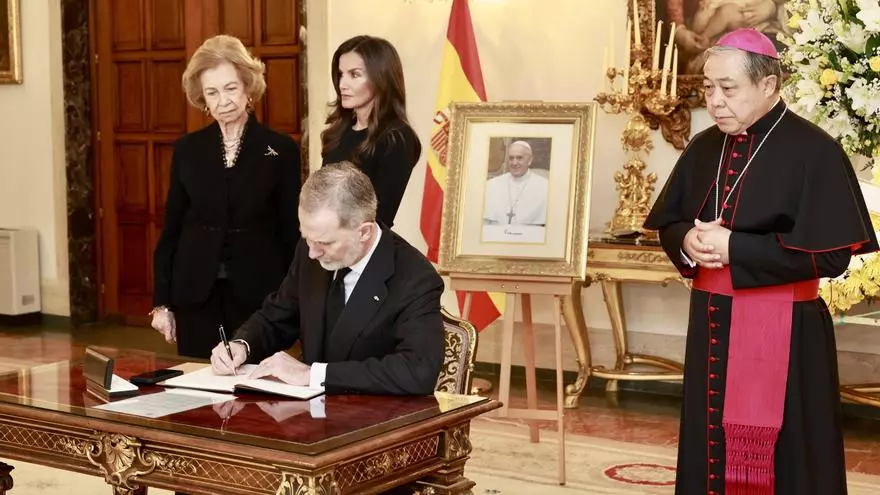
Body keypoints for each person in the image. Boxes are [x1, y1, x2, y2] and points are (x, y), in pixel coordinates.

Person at [644, 28, 878, 494]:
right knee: (709, 445)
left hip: (788, 330)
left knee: (789, 459)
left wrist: (736, 248)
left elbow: (832, 255)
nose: (714, 101)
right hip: (712, 322)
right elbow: (669, 222)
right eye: (708, 87)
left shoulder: (815, 151)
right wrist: (686, 239)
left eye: (727, 88)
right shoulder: (704, 146)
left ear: (768, 84)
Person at [210, 162, 445, 396]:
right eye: (307, 238)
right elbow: (278, 317)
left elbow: (418, 370)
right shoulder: (311, 250)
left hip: (373, 412)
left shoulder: (415, 278)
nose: (312, 253)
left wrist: (313, 375)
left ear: (363, 232)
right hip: (308, 410)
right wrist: (243, 345)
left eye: (324, 243)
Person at [151, 35, 302, 360]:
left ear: (248, 86)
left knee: (255, 384)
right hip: (195, 293)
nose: (223, 101)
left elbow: (291, 231)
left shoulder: (280, 149)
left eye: (231, 88)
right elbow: (171, 230)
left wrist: (296, 301)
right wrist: (162, 302)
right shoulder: (187, 150)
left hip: (259, 296)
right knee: (196, 382)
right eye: (212, 92)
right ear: (202, 98)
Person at [320, 35, 422, 228]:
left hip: (359, 242)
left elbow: (380, 217)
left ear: (380, 78)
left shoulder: (397, 137)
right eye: (341, 74)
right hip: (323, 238)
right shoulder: (337, 132)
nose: (342, 84)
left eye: (354, 75)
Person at [482, 141, 549, 226]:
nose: (514, 163)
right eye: (511, 158)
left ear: (530, 160)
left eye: (519, 158)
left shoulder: (544, 186)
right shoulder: (491, 185)